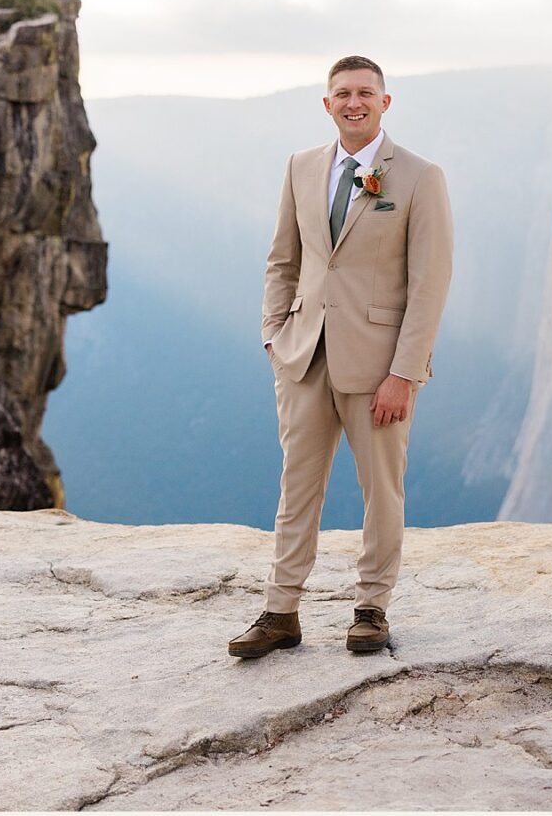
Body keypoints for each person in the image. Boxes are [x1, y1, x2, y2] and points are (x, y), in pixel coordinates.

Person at [228, 55, 454, 657]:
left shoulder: (417, 176)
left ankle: (371, 607)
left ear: (385, 102)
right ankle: (281, 612)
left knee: (382, 487)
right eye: (342, 94)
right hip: (302, 356)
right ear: (327, 105)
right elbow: (284, 259)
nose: (354, 103)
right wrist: (274, 335)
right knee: (296, 484)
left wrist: (405, 372)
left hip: (380, 366)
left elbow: (429, 283)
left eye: (365, 93)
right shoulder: (302, 168)